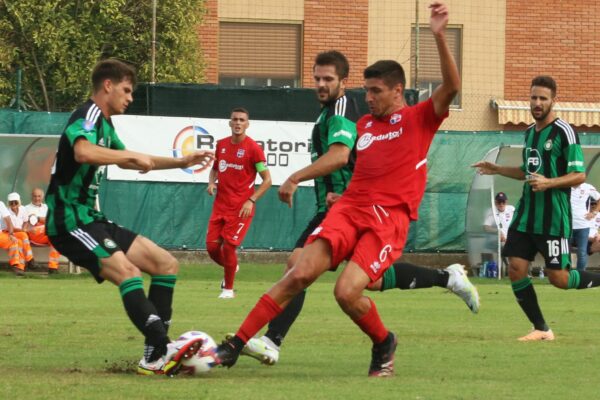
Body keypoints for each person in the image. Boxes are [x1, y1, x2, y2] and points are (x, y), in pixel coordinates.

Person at [216, 2, 461, 377]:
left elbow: (453, 86)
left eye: (377, 91)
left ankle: (384, 342)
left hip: (387, 220)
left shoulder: (419, 117)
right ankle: (234, 344)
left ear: (398, 91)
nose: (370, 97)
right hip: (347, 210)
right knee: (297, 272)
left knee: (347, 293)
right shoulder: (363, 124)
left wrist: (440, 36)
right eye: (367, 90)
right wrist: (340, 196)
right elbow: (359, 168)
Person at [45, 59, 215, 376]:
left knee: (165, 263)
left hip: (92, 217)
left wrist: (181, 161)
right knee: (128, 272)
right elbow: (83, 151)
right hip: (68, 220)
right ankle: (164, 348)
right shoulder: (88, 114)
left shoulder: (106, 126)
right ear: (107, 86)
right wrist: (128, 156)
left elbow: (135, 162)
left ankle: (153, 358)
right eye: (126, 90)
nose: (130, 97)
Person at [472, 75, 600, 341]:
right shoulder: (530, 133)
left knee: (560, 279)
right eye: (534, 97)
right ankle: (542, 329)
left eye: (543, 98)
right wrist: (497, 169)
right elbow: (527, 172)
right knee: (516, 267)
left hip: (553, 217)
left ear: (554, 100)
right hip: (526, 216)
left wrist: (550, 182)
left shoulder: (565, 132)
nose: (538, 103)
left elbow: (578, 176)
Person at [206, 108, 272, 299]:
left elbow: (267, 180)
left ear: (247, 124)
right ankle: (232, 266)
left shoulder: (253, 149)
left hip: (241, 208)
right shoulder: (221, 145)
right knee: (211, 248)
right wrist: (211, 182)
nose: (238, 123)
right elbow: (215, 169)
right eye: (234, 119)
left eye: (242, 120)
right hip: (220, 205)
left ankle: (228, 290)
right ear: (229, 122)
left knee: (228, 247)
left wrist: (251, 200)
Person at [25, 187, 62, 273]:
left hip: (47, 234)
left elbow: (51, 220)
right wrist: (43, 220)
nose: (37, 198)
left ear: (42, 197)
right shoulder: (26, 208)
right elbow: (26, 224)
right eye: (35, 196)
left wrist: (37, 218)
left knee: (56, 238)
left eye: (39, 196)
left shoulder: (47, 207)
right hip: (34, 235)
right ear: (31, 197)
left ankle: (53, 268)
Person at [570, 183, 600, 271]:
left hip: (582, 225)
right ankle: (566, 276)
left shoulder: (587, 187)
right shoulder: (565, 185)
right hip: (567, 225)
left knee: (582, 253)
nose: (593, 206)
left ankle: (580, 276)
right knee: (564, 252)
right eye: (592, 205)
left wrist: (594, 213)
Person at [3, 192, 35, 271]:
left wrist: (24, 228)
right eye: (11, 203)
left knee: (20, 242)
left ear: (19, 202)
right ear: (8, 203)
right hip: (9, 233)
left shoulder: (23, 209)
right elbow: (10, 227)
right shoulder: (6, 211)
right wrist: (23, 230)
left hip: (19, 233)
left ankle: (20, 267)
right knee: (23, 235)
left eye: (15, 202)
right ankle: (30, 259)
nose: (13, 204)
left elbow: (26, 221)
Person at [0, 200, 26, 275]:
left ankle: (19, 267)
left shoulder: (1, 204)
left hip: (1, 234)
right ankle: (16, 265)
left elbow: (8, 220)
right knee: (14, 241)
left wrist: (11, 234)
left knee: (17, 241)